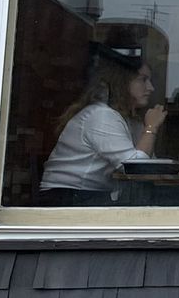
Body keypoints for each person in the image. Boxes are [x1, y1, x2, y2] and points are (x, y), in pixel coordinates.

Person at [37, 46, 167, 205]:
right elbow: (135, 168)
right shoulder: (102, 116)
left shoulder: (131, 120)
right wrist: (151, 128)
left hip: (92, 196)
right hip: (67, 197)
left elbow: (146, 164)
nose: (150, 88)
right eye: (143, 79)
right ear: (123, 81)